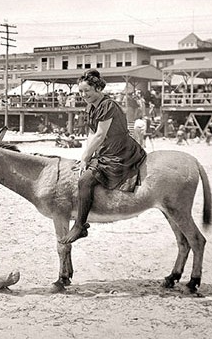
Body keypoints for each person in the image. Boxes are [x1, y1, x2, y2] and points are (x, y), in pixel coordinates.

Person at [60, 69, 147, 245]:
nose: (83, 95)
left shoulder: (107, 105)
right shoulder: (91, 106)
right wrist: (85, 154)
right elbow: (93, 135)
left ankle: (79, 226)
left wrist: (86, 159)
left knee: (85, 180)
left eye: (87, 91)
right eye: (81, 92)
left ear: (98, 89)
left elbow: (100, 135)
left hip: (119, 151)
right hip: (106, 148)